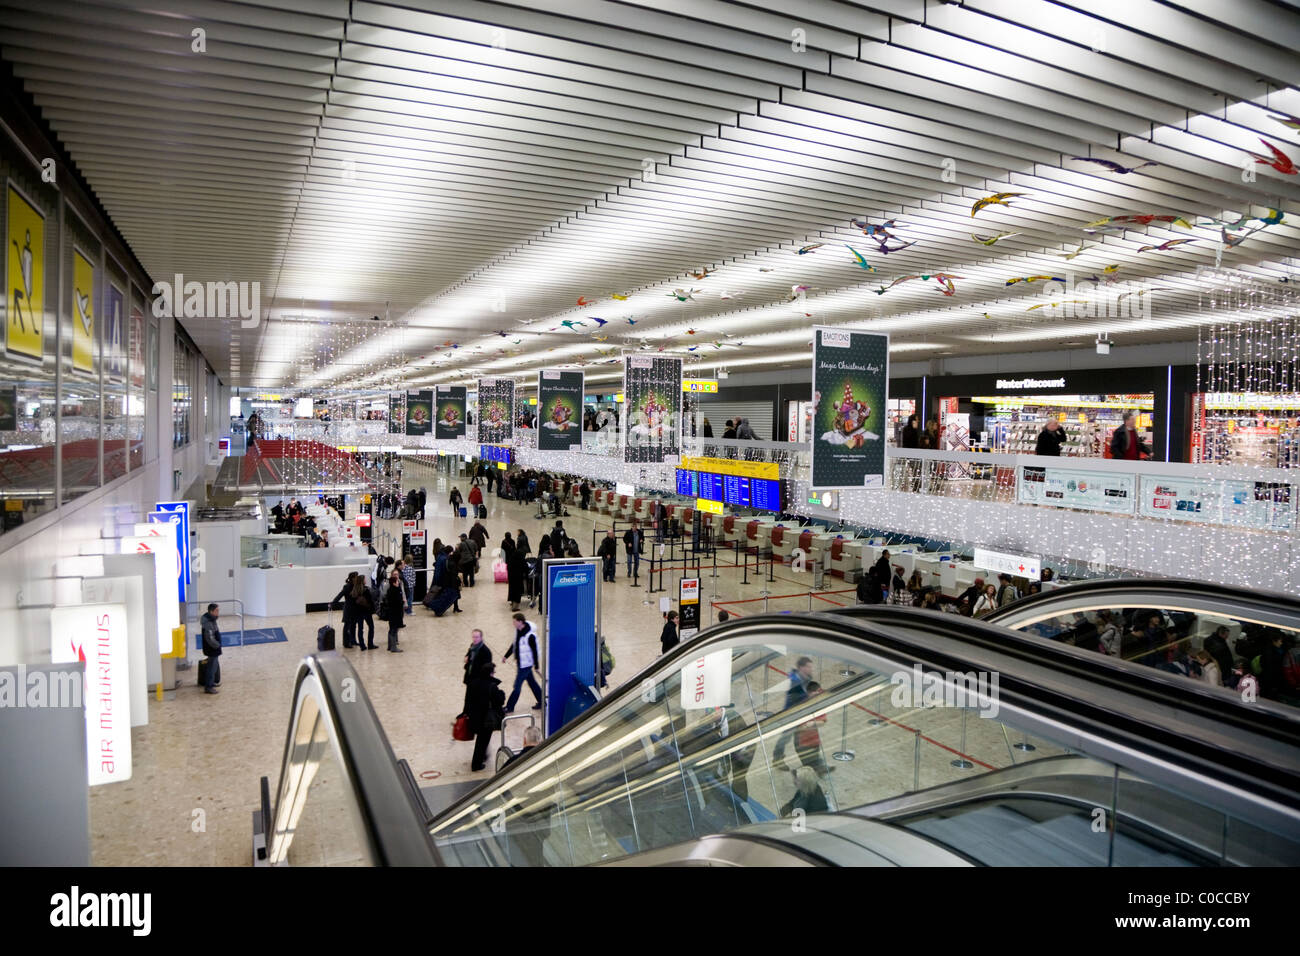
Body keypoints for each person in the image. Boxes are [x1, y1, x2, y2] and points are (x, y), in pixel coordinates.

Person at [466, 662, 505, 772]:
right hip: (486, 720)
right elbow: (499, 701)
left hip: (474, 717)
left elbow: (467, 700)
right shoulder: (491, 686)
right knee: (482, 741)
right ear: (490, 673)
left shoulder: (473, 683)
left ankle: (482, 757)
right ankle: (476, 764)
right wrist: (502, 693)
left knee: (481, 740)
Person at [774, 656, 814, 760]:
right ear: (801, 667)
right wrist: (808, 696)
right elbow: (794, 698)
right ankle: (777, 759)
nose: (811, 669)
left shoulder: (806, 678)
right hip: (791, 714)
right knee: (785, 738)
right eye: (809, 667)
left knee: (795, 738)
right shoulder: (794, 681)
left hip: (800, 713)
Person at [504, 613, 543, 713]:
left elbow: (535, 651)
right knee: (532, 683)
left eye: (515, 621)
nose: (513, 623)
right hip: (521, 662)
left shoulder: (530, 636)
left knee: (517, 686)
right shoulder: (518, 631)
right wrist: (506, 656)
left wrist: (537, 666)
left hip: (526, 664)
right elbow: (514, 645)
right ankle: (542, 701)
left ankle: (509, 706)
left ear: (520, 622)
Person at [462, 630, 492, 710]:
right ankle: (465, 713)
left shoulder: (486, 651)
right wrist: (466, 656)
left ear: (481, 638)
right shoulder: (473, 646)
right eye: (473, 637)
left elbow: (488, 668)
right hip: (470, 677)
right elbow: (469, 653)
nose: (474, 639)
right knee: (467, 698)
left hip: (478, 679)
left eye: (477, 637)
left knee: (474, 699)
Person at [331, 571, 360, 648]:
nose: (358, 578)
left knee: (353, 625)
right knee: (347, 626)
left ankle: (353, 640)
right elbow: (340, 595)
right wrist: (333, 603)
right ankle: (346, 642)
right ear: (353, 578)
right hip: (348, 609)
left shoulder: (357, 586)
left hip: (355, 609)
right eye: (356, 577)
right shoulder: (347, 587)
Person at [200, 603, 222, 694]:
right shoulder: (208, 622)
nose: (218, 612)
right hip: (212, 648)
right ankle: (208, 687)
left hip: (214, 648)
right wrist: (217, 645)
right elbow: (209, 637)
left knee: (214, 665)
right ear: (211, 611)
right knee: (211, 667)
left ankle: (211, 682)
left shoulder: (212, 619)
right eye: (216, 610)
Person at [352, 574, 377, 649]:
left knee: (360, 629)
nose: (366, 580)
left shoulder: (354, 591)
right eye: (365, 579)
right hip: (367, 612)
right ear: (362, 581)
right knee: (371, 627)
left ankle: (362, 645)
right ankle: (370, 644)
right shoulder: (366, 590)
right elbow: (370, 601)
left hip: (358, 612)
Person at [383, 569, 405, 652]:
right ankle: (393, 647)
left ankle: (390, 646)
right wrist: (402, 601)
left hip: (393, 612)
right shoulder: (394, 590)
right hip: (395, 613)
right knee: (393, 630)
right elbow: (398, 601)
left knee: (392, 629)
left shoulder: (391, 590)